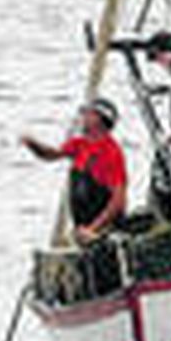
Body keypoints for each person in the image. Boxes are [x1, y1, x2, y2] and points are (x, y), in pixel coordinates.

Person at [20, 97, 128, 243]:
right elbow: (51, 155)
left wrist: (93, 229)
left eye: (88, 114)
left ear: (99, 119)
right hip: (83, 230)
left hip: (105, 230)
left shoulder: (112, 152)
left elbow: (118, 200)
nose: (83, 118)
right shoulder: (79, 145)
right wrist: (33, 145)